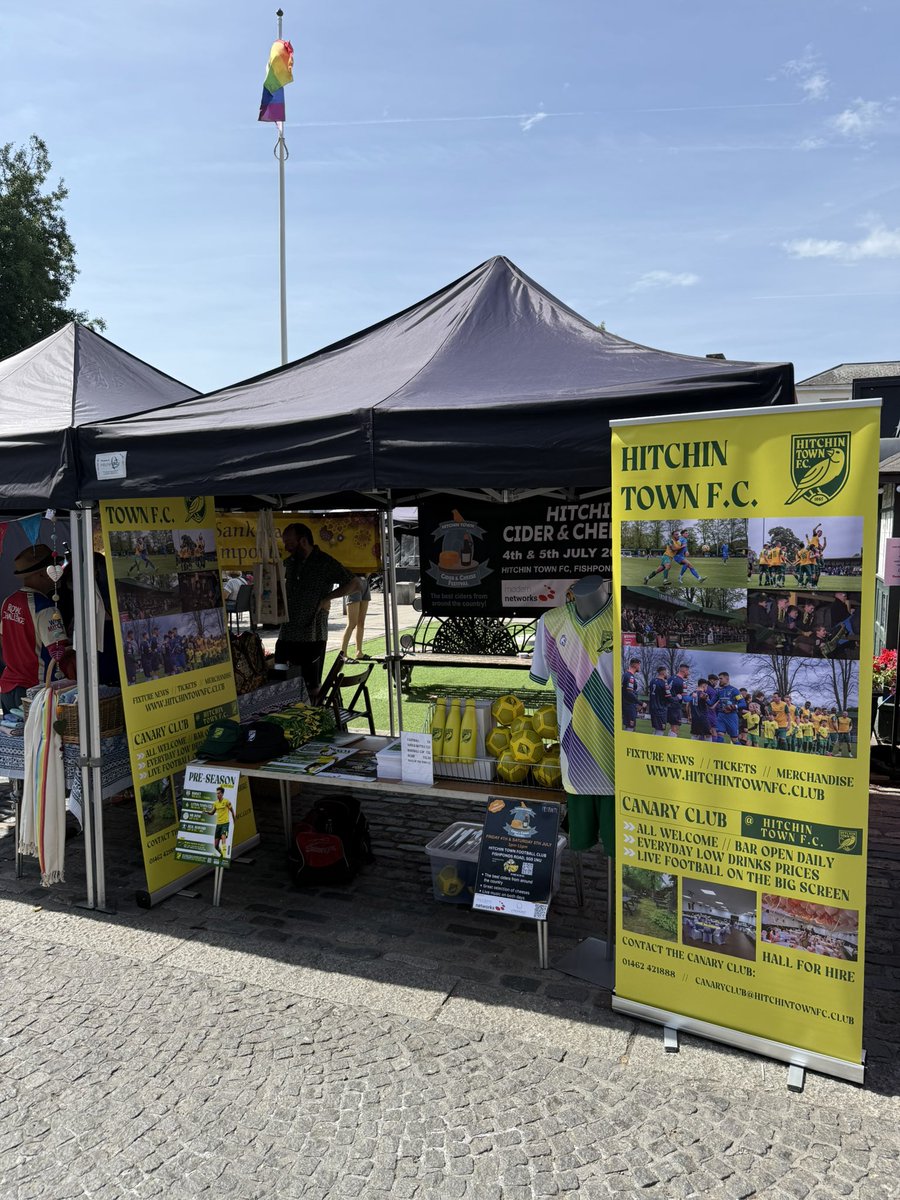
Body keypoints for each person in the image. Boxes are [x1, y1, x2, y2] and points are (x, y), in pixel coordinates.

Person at [276, 523, 363, 695]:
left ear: (302, 541)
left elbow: (356, 584)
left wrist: (327, 598)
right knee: (280, 677)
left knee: (312, 685)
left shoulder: (324, 562)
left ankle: (311, 717)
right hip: (287, 633)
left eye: (289, 542)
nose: (286, 547)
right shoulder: (289, 562)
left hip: (312, 634)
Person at [0, 545, 77, 712]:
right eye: (55, 568)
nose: (59, 573)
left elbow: (4, 639)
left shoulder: (8, 602)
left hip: (8, 687)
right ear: (43, 573)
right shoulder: (46, 608)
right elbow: (58, 652)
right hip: (34, 690)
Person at [340, 573, 372, 660]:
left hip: (365, 582)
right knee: (352, 623)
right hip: (354, 581)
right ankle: (343, 654)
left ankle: (359, 652)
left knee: (361, 623)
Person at [206, 786, 236, 859]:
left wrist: (234, 821)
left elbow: (232, 811)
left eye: (219, 793)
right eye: (216, 793)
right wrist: (207, 812)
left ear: (222, 794)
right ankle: (222, 854)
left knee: (223, 837)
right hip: (218, 825)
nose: (217, 795)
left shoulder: (226, 801)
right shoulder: (215, 803)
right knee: (215, 846)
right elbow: (212, 813)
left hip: (225, 823)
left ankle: (225, 856)